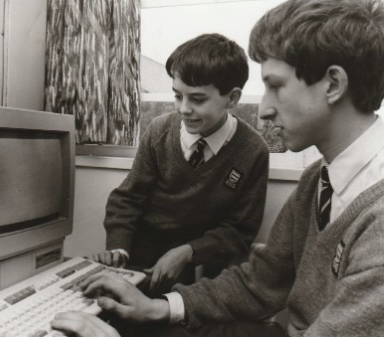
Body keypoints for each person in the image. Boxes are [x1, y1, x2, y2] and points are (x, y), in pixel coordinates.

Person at [50, 0, 384, 336]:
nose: (264, 109)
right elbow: (259, 283)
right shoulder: (316, 181)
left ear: (333, 85)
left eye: (276, 86)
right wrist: (158, 308)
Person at [93, 33, 269, 294]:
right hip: (138, 266)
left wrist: (188, 253)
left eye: (197, 100)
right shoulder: (159, 130)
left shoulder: (253, 150)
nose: (183, 109)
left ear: (232, 98)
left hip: (200, 278)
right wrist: (119, 249)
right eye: (178, 96)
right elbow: (127, 199)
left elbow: (239, 231)